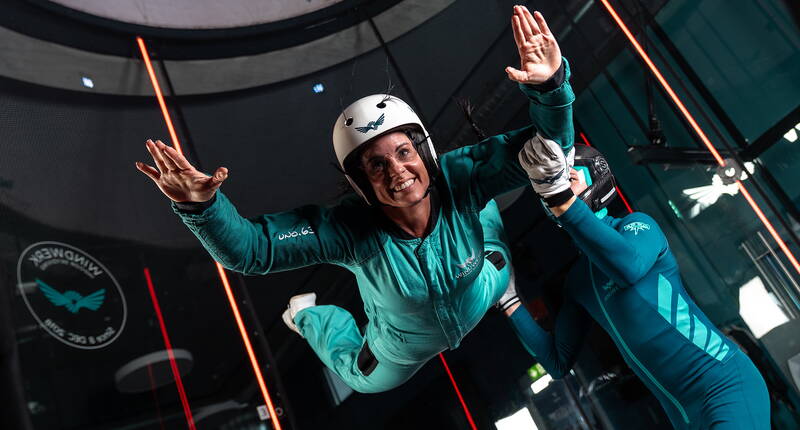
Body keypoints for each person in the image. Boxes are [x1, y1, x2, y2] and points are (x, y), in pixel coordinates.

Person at [136, 6, 573, 393]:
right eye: (376, 165)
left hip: (484, 282)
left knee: (502, 201)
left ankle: (486, 225)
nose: (397, 170)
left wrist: (551, 87)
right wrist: (201, 207)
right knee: (361, 380)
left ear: (422, 152)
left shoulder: (458, 175)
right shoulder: (348, 230)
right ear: (362, 182)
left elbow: (552, 148)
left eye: (403, 153)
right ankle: (307, 317)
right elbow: (251, 251)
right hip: (398, 349)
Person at [501, 139, 771, 429]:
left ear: (596, 181)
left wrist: (564, 202)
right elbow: (556, 361)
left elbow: (627, 268)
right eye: (554, 186)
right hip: (683, 416)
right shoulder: (578, 281)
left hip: (725, 384)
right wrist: (509, 299)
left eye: (570, 178)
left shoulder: (636, 227)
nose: (559, 190)